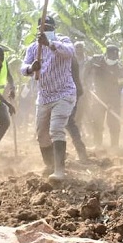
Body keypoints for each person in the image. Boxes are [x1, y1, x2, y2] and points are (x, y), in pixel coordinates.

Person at [21, 15, 76, 180]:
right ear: (39, 31)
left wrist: (50, 43)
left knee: (56, 129)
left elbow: (70, 52)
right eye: (44, 29)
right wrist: (31, 68)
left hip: (64, 93)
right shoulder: (32, 48)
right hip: (44, 97)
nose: (47, 31)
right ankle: (50, 164)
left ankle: (60, 170)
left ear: (54, 29)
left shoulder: (63, 41)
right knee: (42, 135)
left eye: (50, 28)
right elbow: (23, 68)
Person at [85, 44, 123, 148]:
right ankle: (97, 145)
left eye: (115, 58)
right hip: (98, 96)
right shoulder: (95, 60)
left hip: (113, 98)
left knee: (114, 123)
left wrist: (112, 102)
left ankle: (114, 146)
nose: (113, 60)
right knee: (97, 122)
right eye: (111, 57)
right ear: (106, 54)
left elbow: (120, 87)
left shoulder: (119, 68)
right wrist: (86, 84)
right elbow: (86, 72)